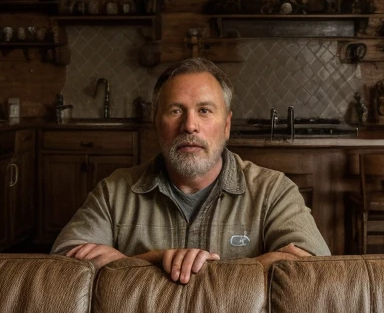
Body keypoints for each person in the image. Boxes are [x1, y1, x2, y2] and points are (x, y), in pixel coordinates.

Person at [52, 58, 330, 283]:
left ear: (227, 125)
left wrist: (125, 263)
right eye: (175, 111)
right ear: (156, 122)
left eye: (205, 111)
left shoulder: (272, 191)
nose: (189, 125)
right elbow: (62, 265)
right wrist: (156, 259)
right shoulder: (115, 191)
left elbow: (313, 269)